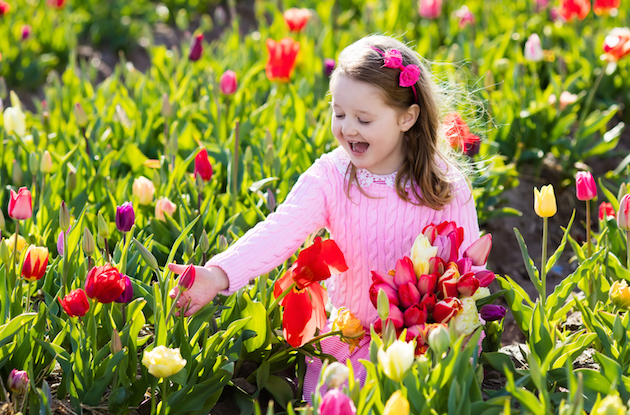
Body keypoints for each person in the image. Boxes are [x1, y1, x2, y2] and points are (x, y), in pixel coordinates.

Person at [168, 34, 481, 402]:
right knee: (341, 400)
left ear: (406, 118)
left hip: (427, 335)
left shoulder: (443, 184)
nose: (348, 129)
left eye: (363, 119)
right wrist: (218, 274)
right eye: (339, 114)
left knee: (426, 397)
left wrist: (454, 336)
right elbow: (280, 230)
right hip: (353, 336)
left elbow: (468, 270)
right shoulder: (331, 177)